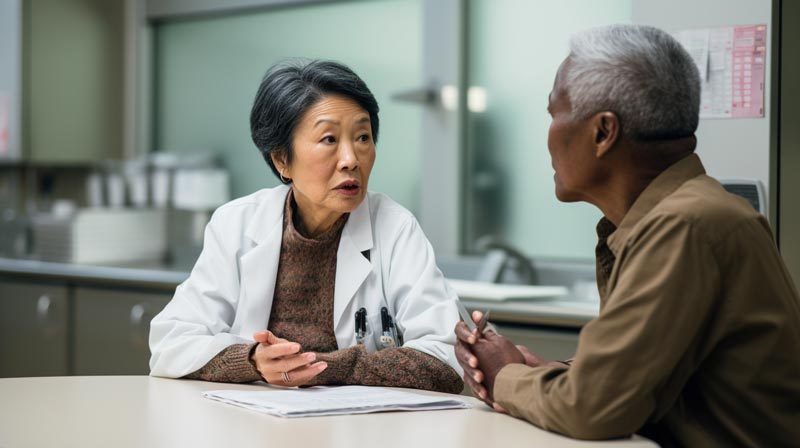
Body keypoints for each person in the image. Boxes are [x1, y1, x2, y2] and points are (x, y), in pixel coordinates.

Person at [455, 24, 800, 446]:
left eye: (553, 113)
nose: (547, 136)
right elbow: (644, 378)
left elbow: (593, 409)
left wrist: (505, 375)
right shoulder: (675, 215)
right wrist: (542, 375)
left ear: (603, 132)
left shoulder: (683, 225)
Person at [150, 59, 463, 393]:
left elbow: (447, 359)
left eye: (362, 137)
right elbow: (170, 344)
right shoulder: (236, 224)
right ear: (282, 159)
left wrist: (323, 367)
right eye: (329, 139)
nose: (351, 159)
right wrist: (253, 360)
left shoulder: (396, 229)